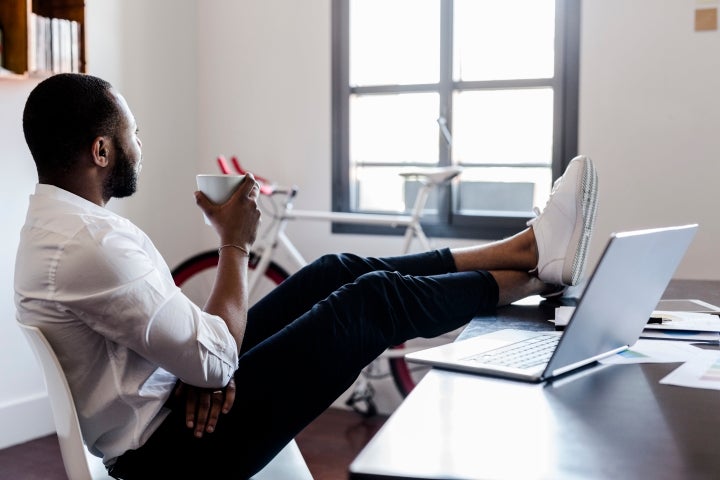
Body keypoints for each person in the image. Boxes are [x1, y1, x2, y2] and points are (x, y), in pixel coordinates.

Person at [14, 73, 598, 479]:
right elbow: (215, 358)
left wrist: (204, 369)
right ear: (101, 151)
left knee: (333, 271)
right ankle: (535, 270)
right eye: (131, 134)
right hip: (174, 459)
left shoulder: (62, 226)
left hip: (169, 414)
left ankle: (527, 252)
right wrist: (235, 242)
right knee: (368, 301)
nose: (140, 145)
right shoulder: (89, 245)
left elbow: (196, 352)